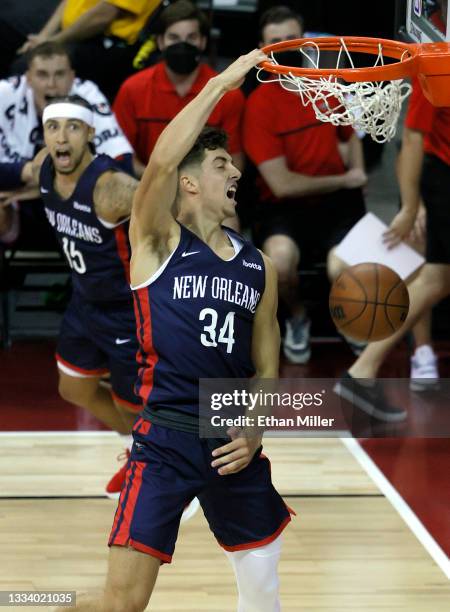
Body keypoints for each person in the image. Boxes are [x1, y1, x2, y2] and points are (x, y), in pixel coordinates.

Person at [61, 48, 292, 612]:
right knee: (123, 605)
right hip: (164, 438)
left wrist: (257, 429)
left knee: (264, 595)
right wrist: (223, 83)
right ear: (188, 182)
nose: (235, 172)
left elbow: (267, 363)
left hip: (229, 439)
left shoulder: (257, 266)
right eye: (221, 165)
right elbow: (160, 163)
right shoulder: (158, 242)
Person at [242, 5, 367, 364]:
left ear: (305, 40)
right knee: (278, 264)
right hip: (284, 210)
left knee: (344, 266)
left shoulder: (327, 83)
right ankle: (297, 317)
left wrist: (356, 174)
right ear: (262, 50)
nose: (284, 47)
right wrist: (347, 177)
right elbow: (281, 185)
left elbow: (351, 136)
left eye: (291, 39)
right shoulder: (258, 106)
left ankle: (352, 319)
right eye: (275, 42)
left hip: (339, 203)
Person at [335, 76, 450, 421]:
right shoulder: (438, 65)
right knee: (434, 279)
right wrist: (412, 206)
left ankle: (362, 371)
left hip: (439, 177)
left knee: (437, 280)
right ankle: (363, 370)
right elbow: (412, 139)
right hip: (443, 178)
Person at [0, 41, 135, 247]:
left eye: (60, 74)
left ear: (72, 77)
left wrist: (42, 183)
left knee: (117, 194)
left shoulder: (87, 94)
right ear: (28, 78)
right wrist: (29, 172)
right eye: (42, 75)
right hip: (17, 204)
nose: (52, 84)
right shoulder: (5, 94)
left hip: (76, 201)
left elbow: (122, 163)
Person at [113, 0, 245, 173]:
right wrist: (158, 184)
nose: (183, 45)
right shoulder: (133, 89)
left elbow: (235, 161)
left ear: (203, 42)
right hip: (147, 186)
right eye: (174, 38)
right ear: (160, 42)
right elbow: (120, 154)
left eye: (191, 37)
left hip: (206, 192)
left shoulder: (228, 93)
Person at [14, 0, 162, 101]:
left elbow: (104, 15)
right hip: (72, 35)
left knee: (25, 68)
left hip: (109, 47)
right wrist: (43, 36)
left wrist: (52, 41)